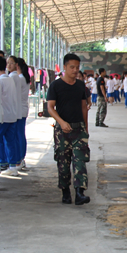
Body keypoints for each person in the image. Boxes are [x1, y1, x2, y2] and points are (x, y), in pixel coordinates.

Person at [46, 53, 91, 205]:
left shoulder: (80, 86)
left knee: (80, 161)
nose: (75, 70)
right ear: (64, 67)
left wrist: (86, 128)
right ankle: (65, 191)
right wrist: (61, 122)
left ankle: (80, 192)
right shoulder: (56, 85)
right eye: (72, 67)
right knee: (63, 161)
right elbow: (50, 107)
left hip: (79, 129)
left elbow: (84, 107)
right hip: (62, 130)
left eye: (77, 67)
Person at [0, 55, 20, 176]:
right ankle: (12, 166)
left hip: (4, 116)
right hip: (12, 115)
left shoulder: (0, 81)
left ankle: (2, 162)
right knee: (10, 141)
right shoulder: (10, 79)